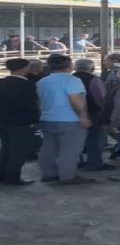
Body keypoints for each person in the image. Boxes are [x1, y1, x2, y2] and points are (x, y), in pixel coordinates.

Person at [36, 54, 94, 185]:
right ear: (69, 66)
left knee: (48, 149)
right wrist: (83, 117)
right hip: (70, 120)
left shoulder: (42, 81)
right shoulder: (72, 80)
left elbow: (39, 101)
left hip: (47, 118)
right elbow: (75, 99)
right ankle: (67, 176)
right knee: (70, 150)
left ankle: (49, 174)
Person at [0, 58, 40, 185]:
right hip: (21, 123)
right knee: (19, 151)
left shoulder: (2, 82)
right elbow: (31, 106)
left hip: (3, 121)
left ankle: (2, 175)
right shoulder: (27, 85)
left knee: (6, 149)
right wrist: (35, 120)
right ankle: (12, 177)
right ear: (24, 68)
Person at [73, 58, 114, 171]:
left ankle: (76, 161)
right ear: (92, 68)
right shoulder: (94, 80)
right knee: (95, 138)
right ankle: (94, 162)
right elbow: (101, 98)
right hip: (92, 112)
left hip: (72, 112)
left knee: (75, 139)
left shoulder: (71, 79)